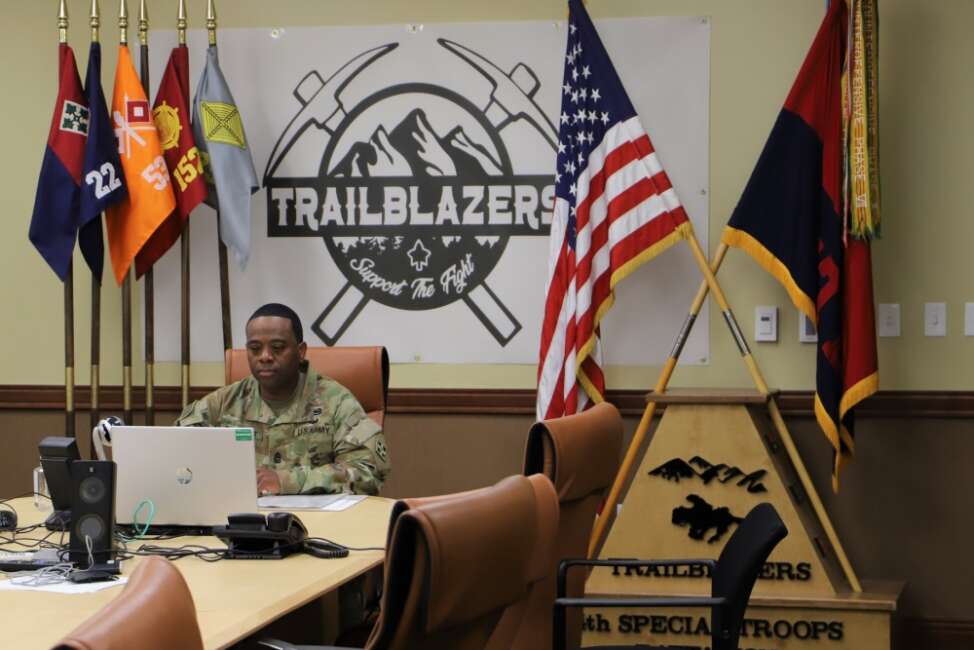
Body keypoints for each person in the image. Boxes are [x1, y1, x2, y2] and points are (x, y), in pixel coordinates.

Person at [176, 303, 390, 496]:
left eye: (277, 348)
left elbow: (367, 472)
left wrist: (286, 481)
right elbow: (173, 452)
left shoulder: (336, 402)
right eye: (255, 348)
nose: (265, 356)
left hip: (318, 527)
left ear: (301, 351)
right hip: (241, 524)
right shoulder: (225, 402)